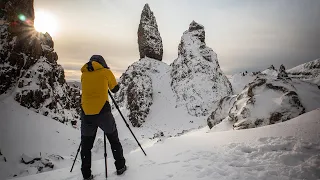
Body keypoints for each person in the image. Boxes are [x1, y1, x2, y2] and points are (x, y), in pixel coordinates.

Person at [80, 55, 126, 180]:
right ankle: (120, 166)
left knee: (86, 146)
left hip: (86, 113)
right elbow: (115, 89)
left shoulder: (83, 74)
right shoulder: (106, 72)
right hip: (103, 112)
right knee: (113, 139)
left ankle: (86, 174)